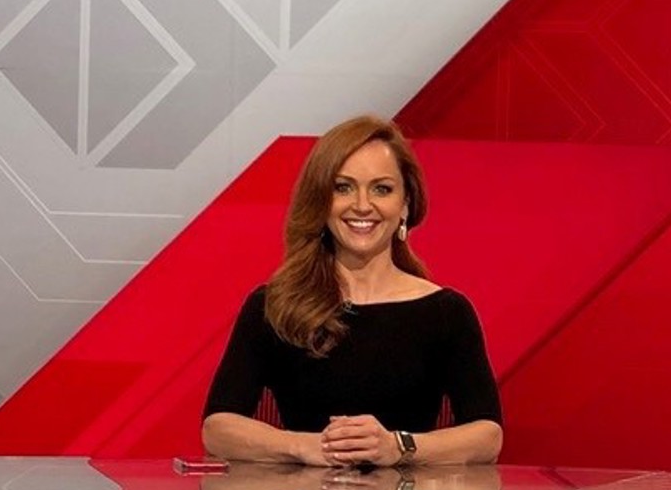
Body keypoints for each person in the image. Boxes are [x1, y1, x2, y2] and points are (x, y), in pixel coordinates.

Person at [202, 115, 503, 467]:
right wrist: (305, 446)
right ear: (321, 201)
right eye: (343, 187)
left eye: (382, 189)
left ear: (405, 204)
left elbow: (487, 435)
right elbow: (218, 428)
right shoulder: (274, 304)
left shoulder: (446, 312)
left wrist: (398, 446)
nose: (362, 205)